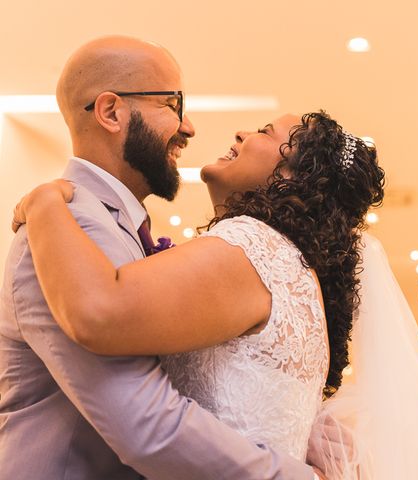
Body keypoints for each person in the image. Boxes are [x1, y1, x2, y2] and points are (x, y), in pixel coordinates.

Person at [13, 110, 418, 479]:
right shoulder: (294, 269)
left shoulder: (253, 247)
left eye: (263, 131)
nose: (239, 132)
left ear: (293, 176)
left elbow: (103, 310)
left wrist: (44, 202)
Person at [0, 35, 323, 480]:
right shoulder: (72, 224)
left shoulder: (101, 223)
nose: (188, 127)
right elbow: (145, 424)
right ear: (112, 112)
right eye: (173, 104)